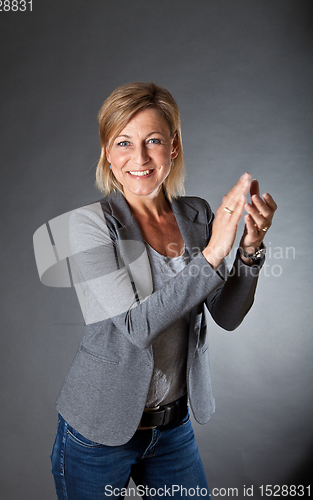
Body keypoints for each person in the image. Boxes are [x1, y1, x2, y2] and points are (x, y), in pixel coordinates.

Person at [50, 82, 277, 499]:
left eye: (153, 140)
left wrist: (247, 252)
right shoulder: (87, 227)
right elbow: (138, 326)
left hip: (172, 432)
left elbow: (226, 315)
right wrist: (210, 257)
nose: (139, 158)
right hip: (99, 433)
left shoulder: (197, 214)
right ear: (106, 152)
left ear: (173, 147)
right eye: (123, 142)